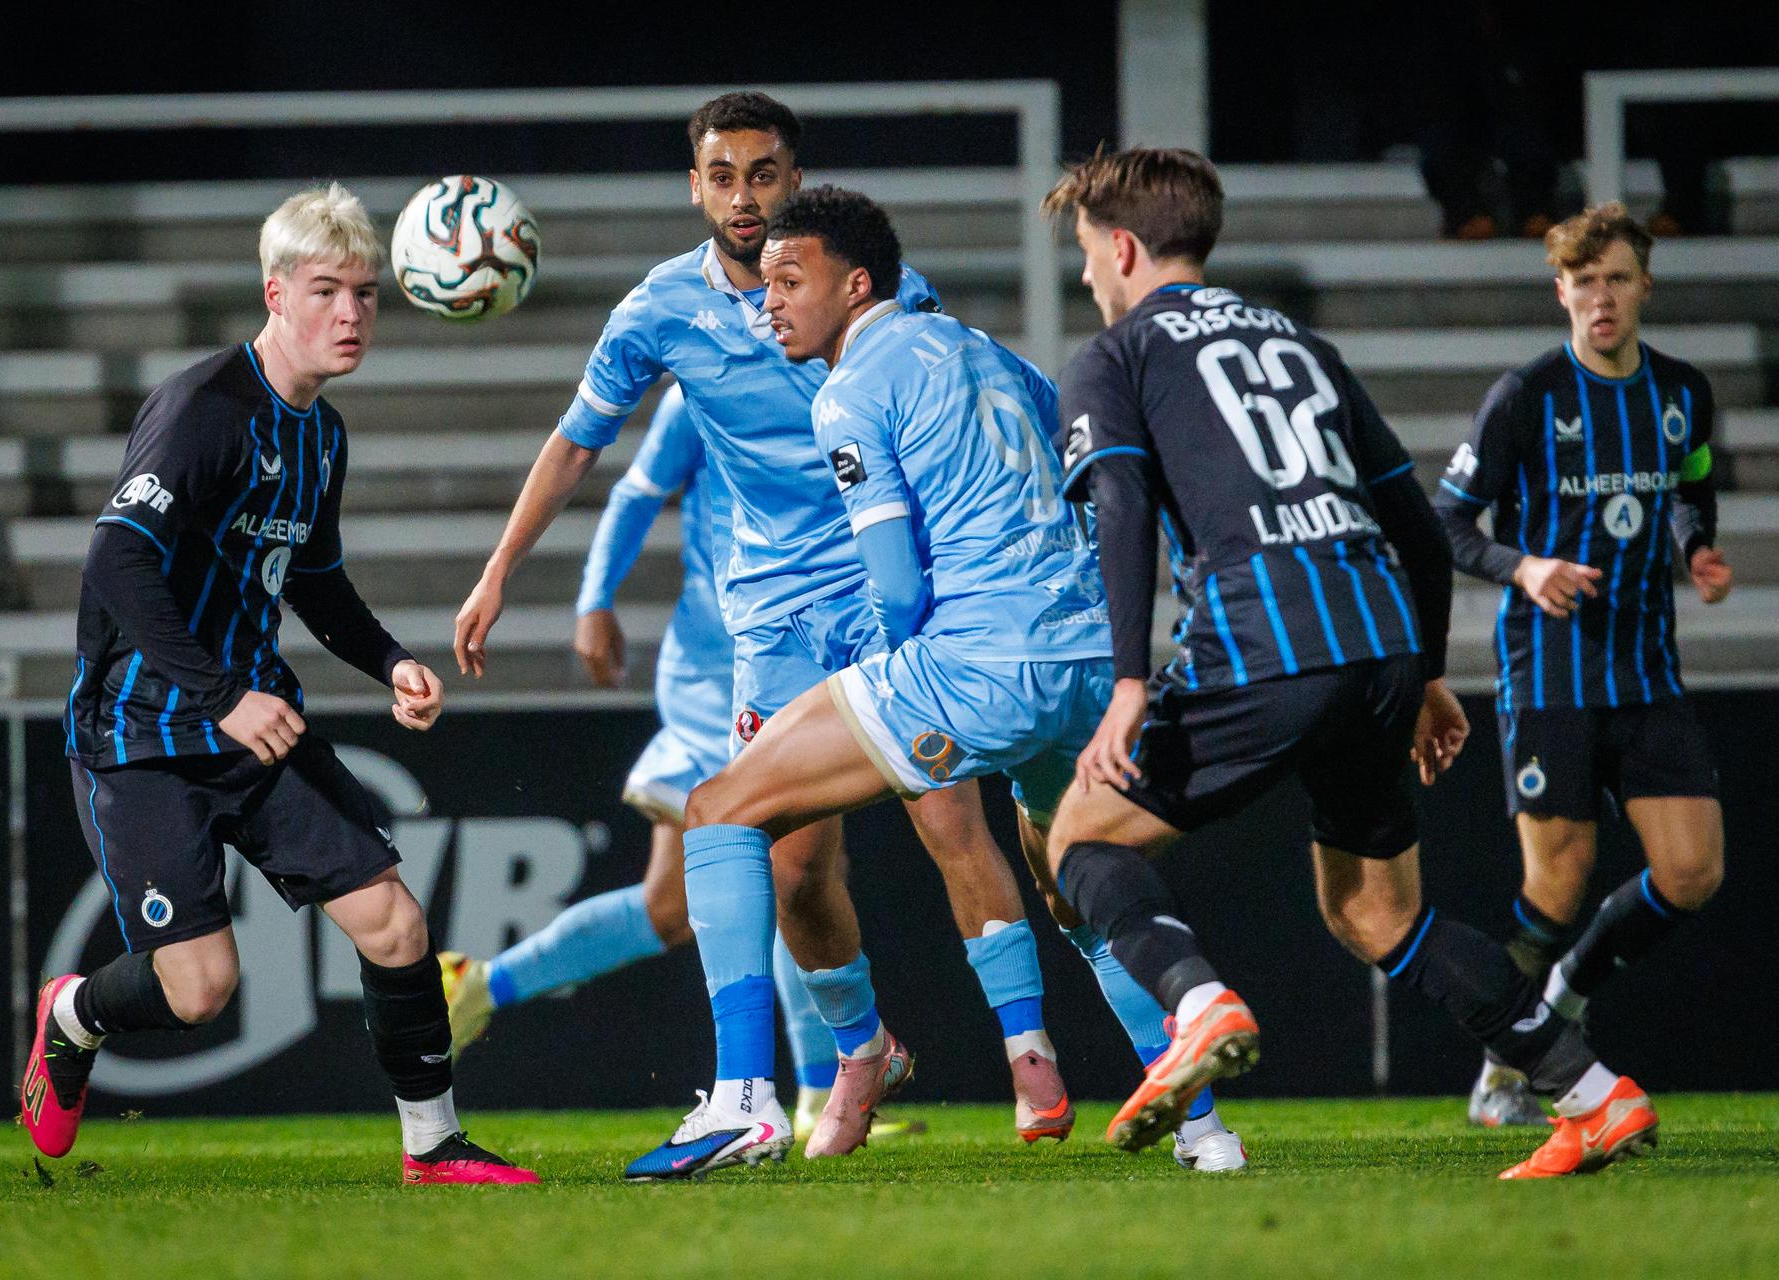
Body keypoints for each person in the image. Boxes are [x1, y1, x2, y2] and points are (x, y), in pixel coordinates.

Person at [452, 92, 1085, 1177]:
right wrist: (505, 567)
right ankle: (859, 1051)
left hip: (898, 596)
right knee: (791, 873)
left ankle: (1030, 1051)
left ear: (795, 180)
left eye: (765, 173)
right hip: (778, 619)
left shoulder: (869, 292)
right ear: (694, 186)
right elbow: (579, 445)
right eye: (723, 175)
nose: (745, 196)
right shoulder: (659, 312)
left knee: (952, 822)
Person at [1039, 147, 1658, 1180]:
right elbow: (1418, 527)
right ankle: (1595, 1093)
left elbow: (1122, 505)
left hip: (1265, 636)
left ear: (1126, 245)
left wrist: (1131, 682)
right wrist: (1419, 674)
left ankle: (1197, 1004)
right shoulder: (1301, 342)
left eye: (1091, 257)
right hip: (1374, 638)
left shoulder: (1114, 356)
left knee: (1080, 835)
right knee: (1377, 910)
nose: (1092, 278)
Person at [627, 184, 1246, 1171]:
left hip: (975, 661)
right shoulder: (985, 351)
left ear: (857, 281)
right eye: (763, 283)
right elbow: (1092, 476)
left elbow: (899, 587)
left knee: (718, 808)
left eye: (792, 280)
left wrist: (892, 687)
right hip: (1084, 657)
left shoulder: (848, 390)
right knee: (1075, 880)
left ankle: (744, 1100)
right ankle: (1207, 1128)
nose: (769, 303)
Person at [20, 184, 532, 1185]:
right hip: (142, 734)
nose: (351, 314)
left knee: (394, 920)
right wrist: (220, 694)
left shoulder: (321, 433)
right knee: (201, 987)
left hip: (254, 718)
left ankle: (432, 1144)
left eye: (368, 294)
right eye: (328, 291)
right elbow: (116, 562)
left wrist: (390, 660)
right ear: (276, 294)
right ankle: (73, 1013)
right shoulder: (203, 409)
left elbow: (312, 576)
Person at [440, 385, 916, 1142]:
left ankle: (481, 984)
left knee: (672, 906)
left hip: (801, 656)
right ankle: (825, 1088)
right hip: (717, 673)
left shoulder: (840, 376)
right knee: (793, 867)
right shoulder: (705, 381)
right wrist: (594, 598)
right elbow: (635, 495)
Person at [1434, 202, 1728, 1128]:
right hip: (1550, 672)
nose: (1601, 298)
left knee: (1693, 873)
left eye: (1617, 280)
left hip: (1646, 672)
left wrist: (1697, 545)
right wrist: (1524, 566)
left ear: (1645, 287)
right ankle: (1508, 1073)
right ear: (1559, 290)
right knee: (1558, 882)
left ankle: (1559, 1000)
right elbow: (1446, 522)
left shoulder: (1682, 393)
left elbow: (1691, 484)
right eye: (1584, 281)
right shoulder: (1526, 397)